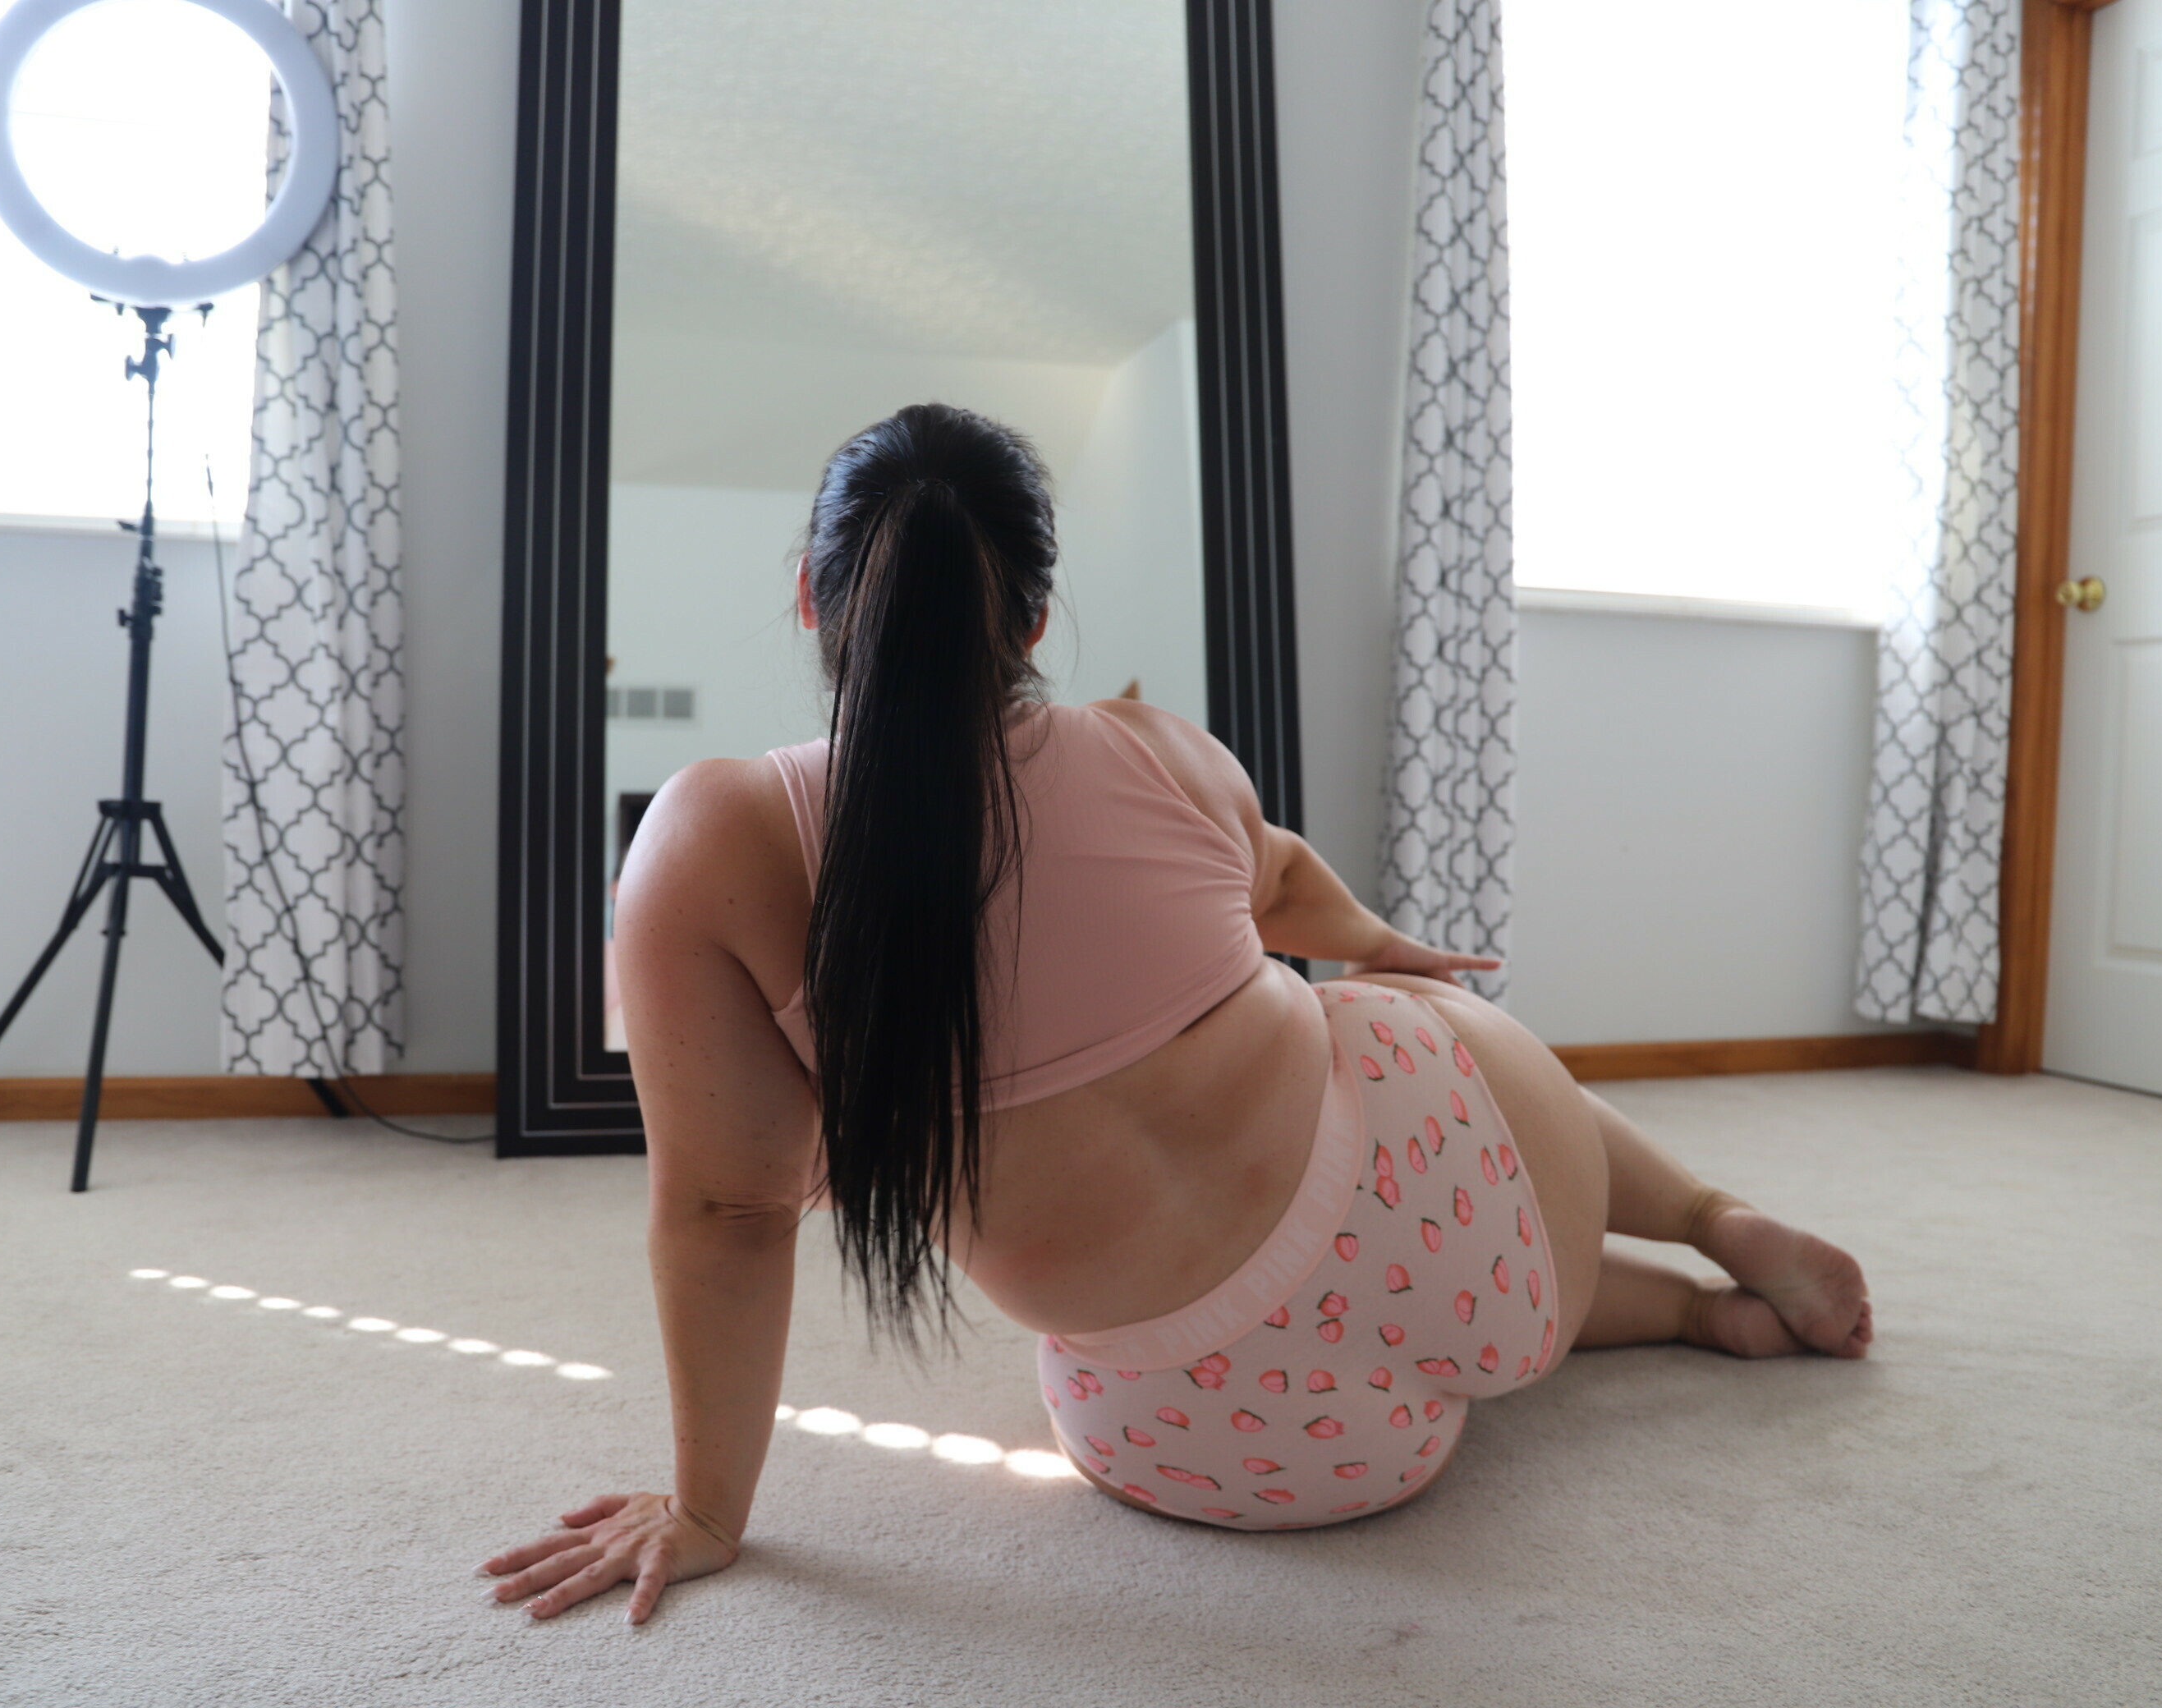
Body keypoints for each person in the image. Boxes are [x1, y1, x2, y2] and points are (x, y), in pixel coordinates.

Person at [478, 404, 1871, 1623]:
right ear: (1034, 621)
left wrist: (708, 1511)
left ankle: (1698, 1320)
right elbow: (1290, 883)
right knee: (1382, 1036)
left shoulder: (714, 836)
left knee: (1217, 1309)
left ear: (809, 597)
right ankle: (1708, 1225)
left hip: (1241, 1438)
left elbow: (728, 1213)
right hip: (1497, 1243)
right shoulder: (1158, 751)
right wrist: (1386, 953)